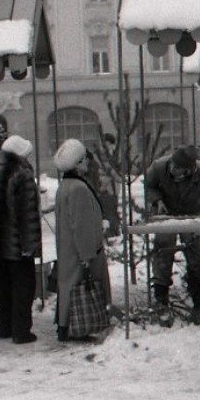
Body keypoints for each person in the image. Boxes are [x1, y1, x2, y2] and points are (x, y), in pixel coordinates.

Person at [144, 145, 200, 325]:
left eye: (178, 168)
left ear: (188, 170)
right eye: (172, 165)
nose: (172, 170)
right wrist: (157, 201)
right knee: (162, 254)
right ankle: (161, 304)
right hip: (166, 215)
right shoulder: (158, 167)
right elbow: (148, 186)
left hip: (192, 216)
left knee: (196, 259)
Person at [0, 136, 42, 344]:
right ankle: (21, 331)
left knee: (3, 286)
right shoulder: (23, 176)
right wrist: (29, 245)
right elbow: (27, 214)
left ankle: (5, 326)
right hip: (17, 245)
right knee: (23, 286)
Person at [53, 139, 111, 342]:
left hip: (68, 248)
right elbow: (82, 225)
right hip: (80, 250)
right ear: (77, 164)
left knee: (69, 285)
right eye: (84, 159)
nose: (87, 162)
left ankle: (64, 326)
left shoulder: (65, 186)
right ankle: (73, 328)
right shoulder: (79, 188)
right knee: (79, 287)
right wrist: (87, 254)